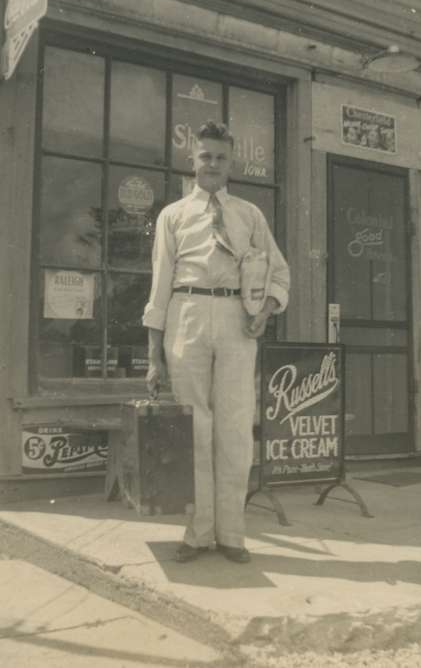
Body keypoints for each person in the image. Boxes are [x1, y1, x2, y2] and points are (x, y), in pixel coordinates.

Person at [142, 121, 290, 564]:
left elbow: (278, 272)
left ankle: (231, 535)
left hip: (236, 321)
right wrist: (154, 356)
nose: (212, 164)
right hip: (185, 316)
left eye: (221, 157)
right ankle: (197, 532)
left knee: (234, 429)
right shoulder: (173, 215)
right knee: (193, 429)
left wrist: (264, 312)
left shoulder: (249, 215)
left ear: (232, 164)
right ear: (193, 159)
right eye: (205, 156)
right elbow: (159, 286)